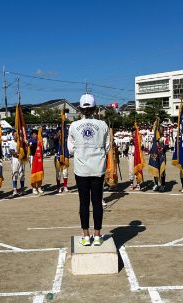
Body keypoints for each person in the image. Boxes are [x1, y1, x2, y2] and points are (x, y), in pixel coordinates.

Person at [68, 94, 110, 246]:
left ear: (79, 109)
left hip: (81, 169)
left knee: (84, 203)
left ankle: (86, 236)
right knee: (97, 202)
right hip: (98, 167)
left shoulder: (73, 126)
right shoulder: (103, 124)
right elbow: (107, 146)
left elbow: (70, 149)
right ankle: (97, 235)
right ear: (94, 108)